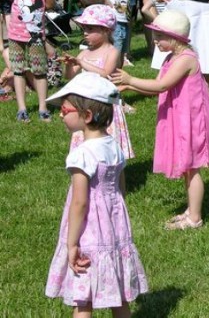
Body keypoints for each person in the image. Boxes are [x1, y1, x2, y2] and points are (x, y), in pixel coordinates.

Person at [44, 72, 148, 314]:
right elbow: (120, 188)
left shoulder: (82, 154)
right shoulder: (114, 145)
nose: (61, 113)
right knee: (119, 294)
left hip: (88, 230)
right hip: (114, 223)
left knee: (83, 295)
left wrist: (72, 244)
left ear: (86, 115)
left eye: (65, 110)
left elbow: (80, 202)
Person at [111, 10, 209, 230]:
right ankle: (191, 210)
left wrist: (130, 78)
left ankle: (195, 218)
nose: (155, 41)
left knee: (193, 167)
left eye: (160, 37)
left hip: (191, 120)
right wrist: (130, 86)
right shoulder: (171, 58)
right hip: (181, 117)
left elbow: (162, 86)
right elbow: (158, 87)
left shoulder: (186, 59)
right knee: (187, 167)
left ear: (176, 38)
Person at [59, 4, 134, 159]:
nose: (85, 33)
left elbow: (105, 74)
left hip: (104, 103)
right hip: (86, 104)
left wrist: (81, 62)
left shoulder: (112, 51)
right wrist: (69, 66)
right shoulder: (84, 52)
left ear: (106, 30)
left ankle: (111, 166)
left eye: (91, 29)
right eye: (84, 29)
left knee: (106, 140)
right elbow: (70, 77)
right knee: (87, 141)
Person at [8, 0, 54, 123]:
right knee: (18, 70)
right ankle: (22, 109)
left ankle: (43, 107)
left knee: (39, 69)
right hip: (15, 33)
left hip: (34, 33)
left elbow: (49, 2)